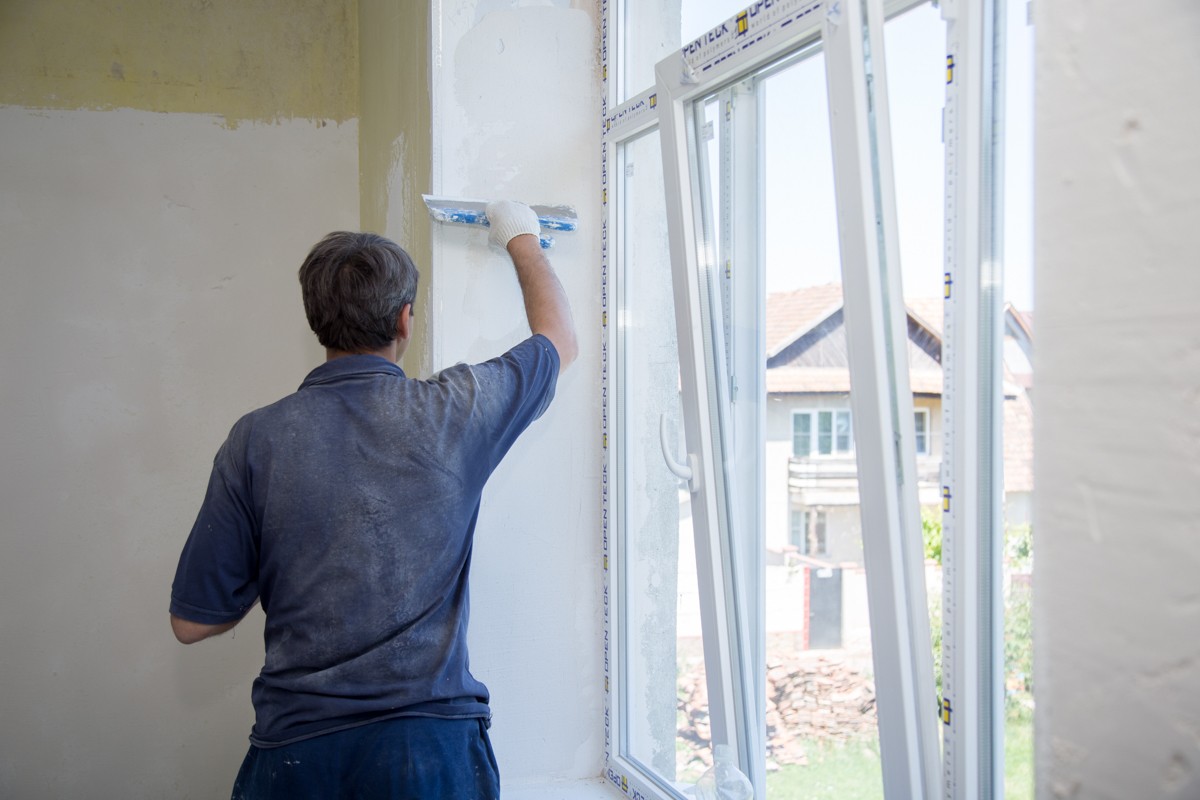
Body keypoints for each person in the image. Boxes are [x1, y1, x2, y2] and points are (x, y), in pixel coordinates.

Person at [168, 200, 577, 799]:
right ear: (405, 320)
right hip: (432, 756)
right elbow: (559, 340)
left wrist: (285, 554)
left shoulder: (256, 439)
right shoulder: (454, 412)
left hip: (299, 758)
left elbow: (191, 623)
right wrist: (520, 237)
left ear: (316, 320)